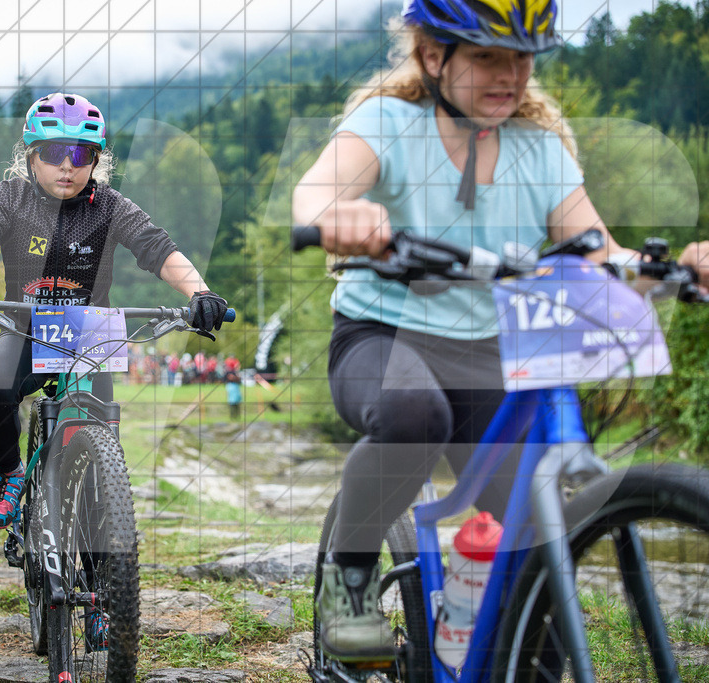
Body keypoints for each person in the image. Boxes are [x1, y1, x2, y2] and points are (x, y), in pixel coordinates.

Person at [292, 0, 709, 662]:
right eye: (487, 54)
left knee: (530, 530)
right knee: (411, 411)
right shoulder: (386, 123)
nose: (510, 74)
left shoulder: (539, 151)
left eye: (520, 57)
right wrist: (342, 216)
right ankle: (349, 577)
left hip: (492, 356)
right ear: (434, 55)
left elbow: (596, 254)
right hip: (383, 334)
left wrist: (672, 269)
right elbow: (316, 193)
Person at [0, 93, 229, 531]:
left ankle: (98, 567)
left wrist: (201, 293)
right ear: (32, 157)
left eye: (81, 153)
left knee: (100, 458)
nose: (67, 165)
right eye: (54, 152)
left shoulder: (110, 206)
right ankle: (10, 475)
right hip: (26, 332)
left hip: (91, 339)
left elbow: (159, 249)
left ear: (95, 160)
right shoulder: (11, 197)